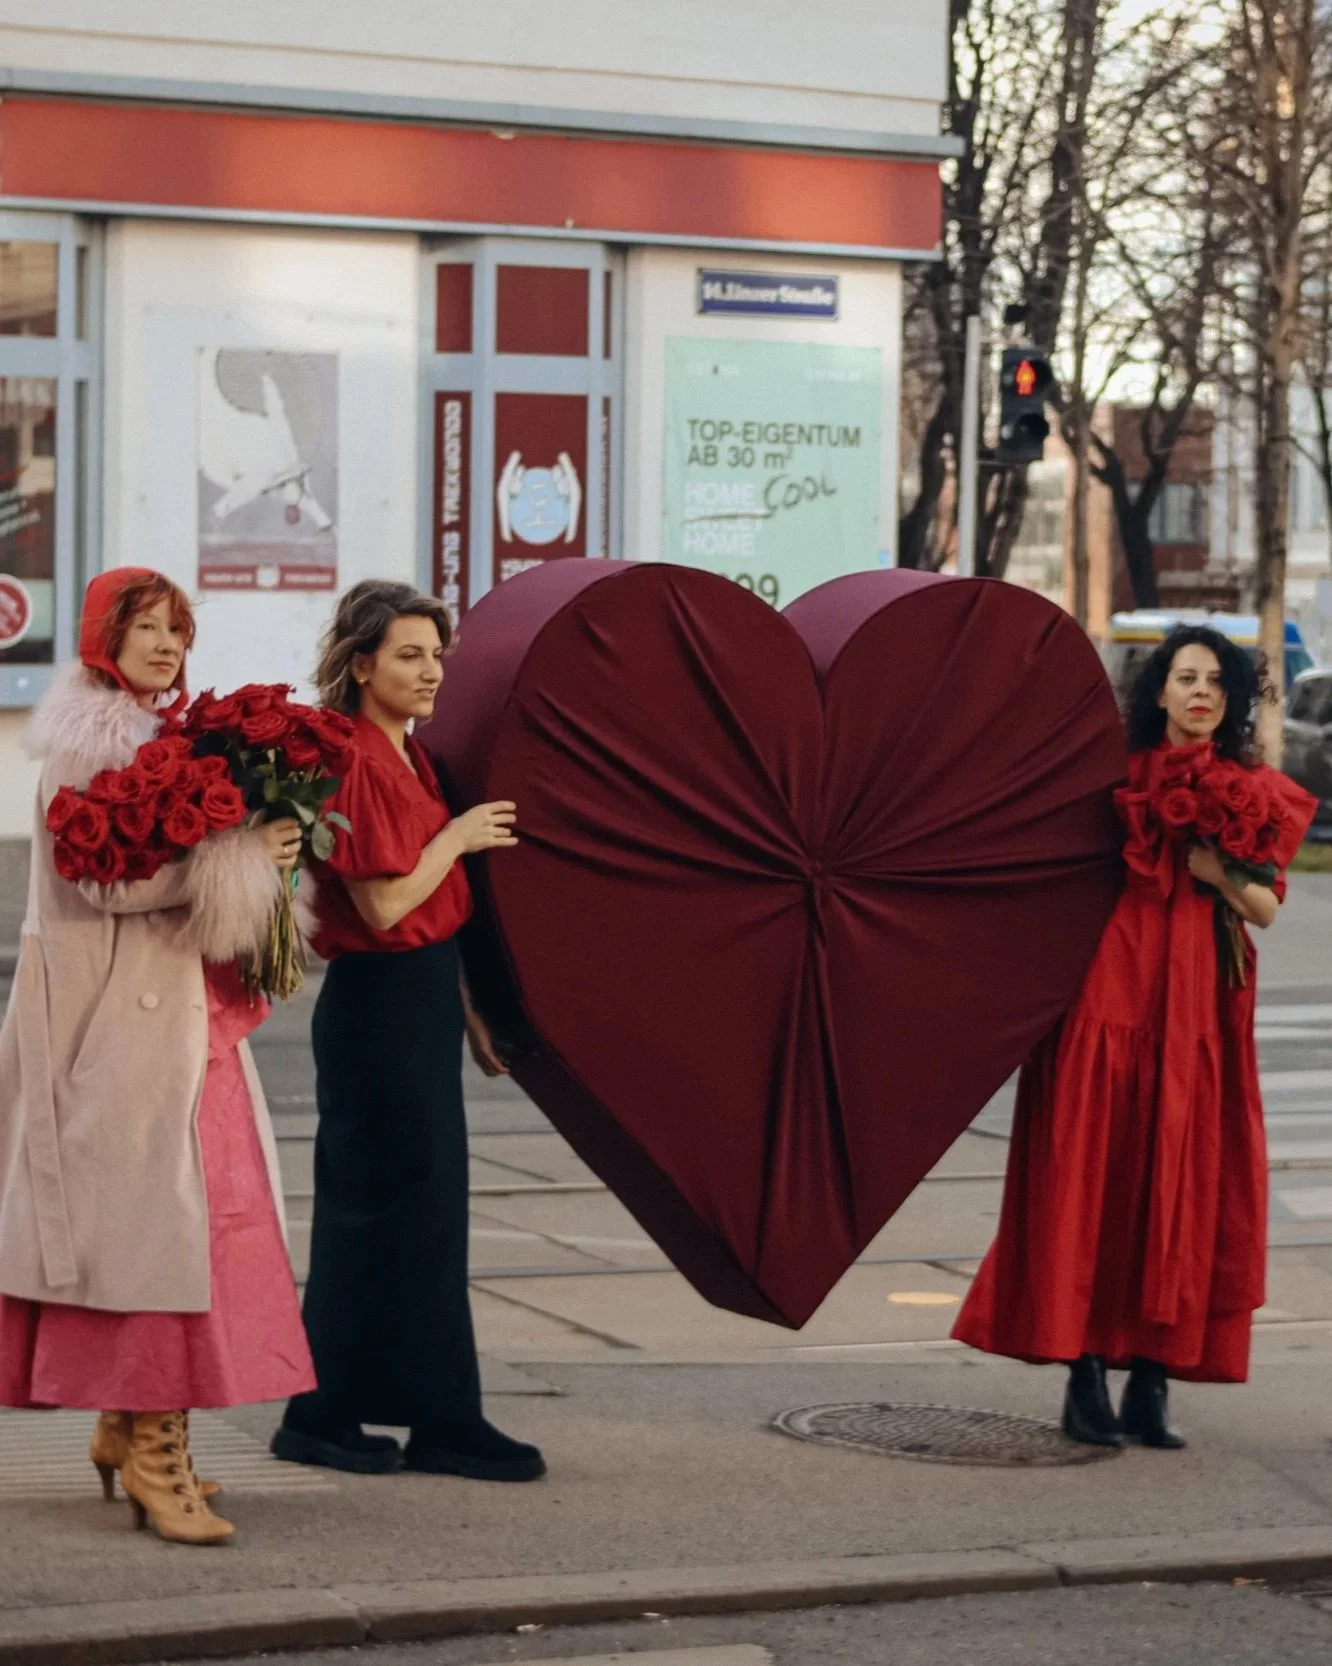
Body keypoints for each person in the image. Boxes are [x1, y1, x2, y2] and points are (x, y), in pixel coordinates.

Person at [0, 566, 315, 1544]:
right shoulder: (87, 747)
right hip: (118, 1026)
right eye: (146, 627)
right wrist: (240, 856)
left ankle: (130, 1424)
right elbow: (110, 889)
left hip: (171, 1017)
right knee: (160, 1237)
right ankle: (152, 1451)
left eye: (178, 630)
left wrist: (262, 846)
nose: (168, 645)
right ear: (104, 636)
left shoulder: (162, 742)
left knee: (192, 1229)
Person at [953, 626, 1316, 1449]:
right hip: (1106, 994)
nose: (1199, 693)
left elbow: (1266, 906)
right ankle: (1083, 1374)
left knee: (1181, 1188)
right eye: (1184, 678)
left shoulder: (1250, 786)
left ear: (1228, 700)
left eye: (1214, 682)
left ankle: (1152, 1381)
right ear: (1157, 692)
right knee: (1095, 1180)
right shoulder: (1107, 779)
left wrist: (1217, 868)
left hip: (1200, 1007)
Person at [272, 579, 544, 1482]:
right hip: (377, 1002)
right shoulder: (352, 759)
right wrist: (459, 838)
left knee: (414, 1217)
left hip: (416, 998)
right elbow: (386, 903)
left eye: (436, 655)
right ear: (361, 665)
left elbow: (434, 916)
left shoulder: (409, 756)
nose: (431, 672)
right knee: (375, 1214)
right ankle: (343, 1415)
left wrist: (469, 1017)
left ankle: (414, 1414)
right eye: (409, 656)